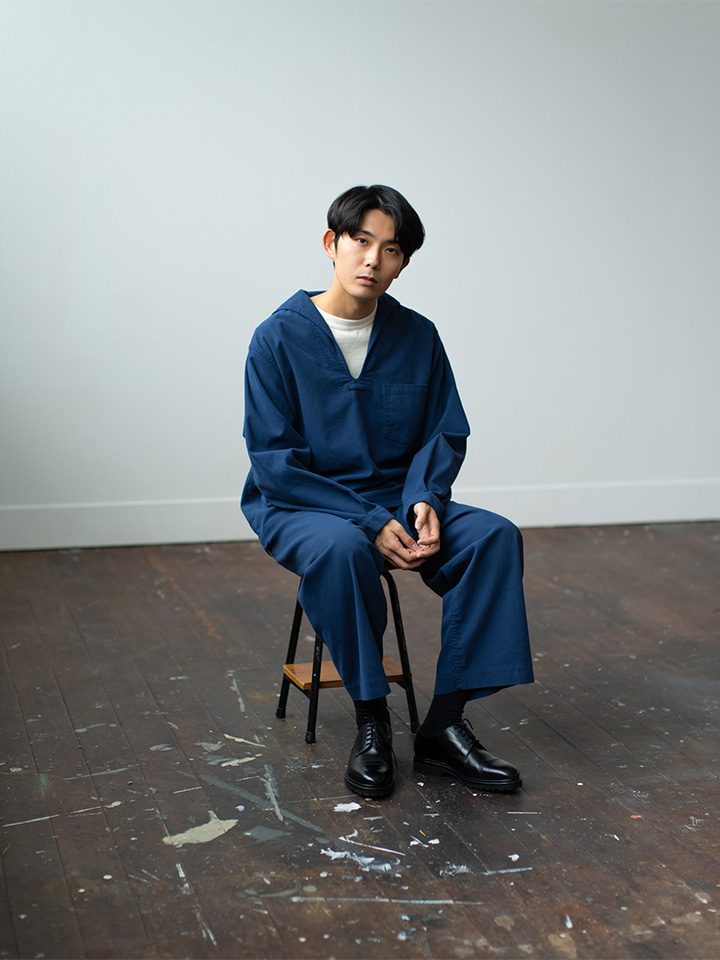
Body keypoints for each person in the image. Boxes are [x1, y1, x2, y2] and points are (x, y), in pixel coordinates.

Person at [242, 184, 534, 799]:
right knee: (342, 550)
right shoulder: (277, 339)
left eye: (392, 250)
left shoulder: (418, 336)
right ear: (332, 244)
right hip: (304, 503)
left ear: (404, 263)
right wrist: (370, 521)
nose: (373, 259)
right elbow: (275, 465)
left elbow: (444, 431)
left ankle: (443, 727)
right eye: (361, 241)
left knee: (493, 537)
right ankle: (372, 720)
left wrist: (425, 497)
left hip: (399, 498)